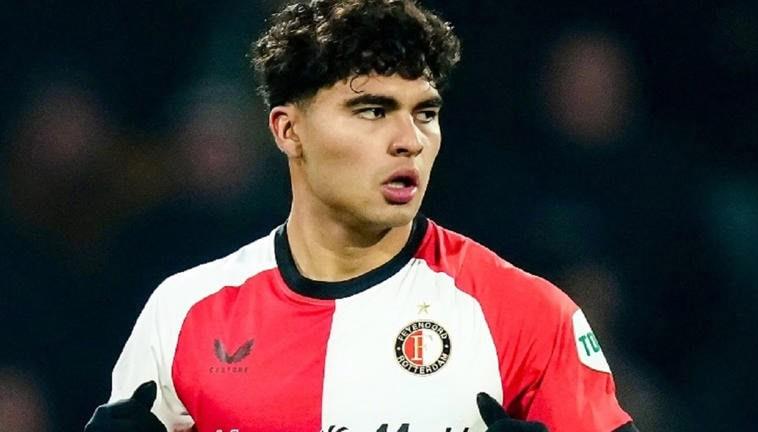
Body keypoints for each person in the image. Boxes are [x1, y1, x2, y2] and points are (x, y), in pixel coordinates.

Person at [85, 0, 638, 431]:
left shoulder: (525, 317)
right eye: (373, 110)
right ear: (288, 130)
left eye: (425, 113)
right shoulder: (184, 314)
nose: (409, 140)